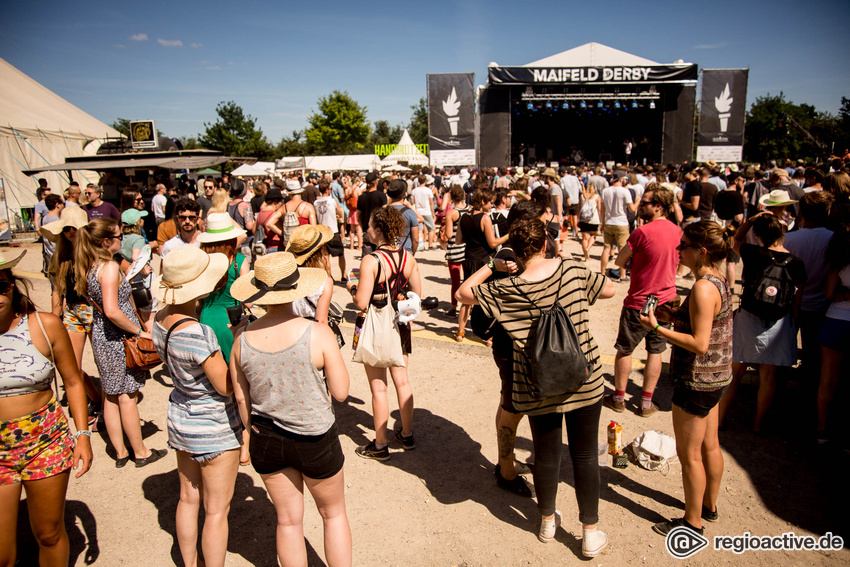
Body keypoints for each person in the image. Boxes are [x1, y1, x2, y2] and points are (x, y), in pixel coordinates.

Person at [456, 215, 614, 558]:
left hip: (537, 384)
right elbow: (610, 289)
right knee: (585, 456)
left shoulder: (505, 288)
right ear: (545, 243)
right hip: (585, 379)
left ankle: (546, 522)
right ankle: (589, 532)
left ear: (517, 247)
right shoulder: (571, 270)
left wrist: (491, 264)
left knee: (546, 454)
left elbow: (463, 293)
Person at [230, 252, 351, 567]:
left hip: (266, 438)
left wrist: (250, 431)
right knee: (333, 513)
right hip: (315, 436)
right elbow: (341, 391)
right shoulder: (317, 333)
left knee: (287, 521)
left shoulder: (241, 339)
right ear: (295, 288)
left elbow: (242, 398)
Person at [640, 221, 734, 537]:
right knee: (710, 446)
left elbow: (699, 342)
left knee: (689, 455)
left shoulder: (703, 288)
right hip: (717, 377)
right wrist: (673, 316)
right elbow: (703, 323)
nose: (679, 252)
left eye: (684, 247)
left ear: (701, 251)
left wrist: (657, 329)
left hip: (697, 380)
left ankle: (692, 522)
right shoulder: (718, 280)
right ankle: (709, 506)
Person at [0, 249, 93, 567]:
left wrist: (82, 434)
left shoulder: (45, 325)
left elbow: (74, 382)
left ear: (12, 285)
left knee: (50, 533)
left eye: (1, 285)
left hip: (46, 440)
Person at [153, 246, 242, 567]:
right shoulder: (198, 332)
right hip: (214, 425)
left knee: (188, 499)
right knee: (217, 510)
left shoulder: (160, 320)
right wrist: (239, 342)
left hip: (181, 417)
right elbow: (226, 386)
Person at [74, 218, 167, 467]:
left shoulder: (91, 267)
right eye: (118, 237)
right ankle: (140, 451)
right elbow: (113, 310)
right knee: (127, 395)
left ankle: (120, 452)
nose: (122, 240)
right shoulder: (109, 267)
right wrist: (139, 332)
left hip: (102, 338)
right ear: (106, 242)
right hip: (118, 338)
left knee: (111, 396)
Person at [718, 213, 807, 432]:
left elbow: (733, 242)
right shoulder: (797, 263)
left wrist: (750, 220)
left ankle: (719, 420)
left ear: (757, 235)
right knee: (768, 376)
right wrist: (793, 325)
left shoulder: (752, 252)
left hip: (748, 317)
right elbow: (797, 300)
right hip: (778, 321)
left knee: (735, 371)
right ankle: (758, 423)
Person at [347, 206, 422, 461]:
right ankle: (407, 434)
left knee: (379, 389)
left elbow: (360, 302)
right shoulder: (408, 257)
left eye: (368, 226)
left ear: (378, 230)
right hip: (401, 323)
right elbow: (416, 295)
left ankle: (380, 445)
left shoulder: (371, 260)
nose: (366, 229)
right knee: (403, 381)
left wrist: (352, 286)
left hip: (377, 324)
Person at [605, 185, 681, 417]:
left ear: (659, 206)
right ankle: (646, 403)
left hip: (639, 301)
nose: (640, 206)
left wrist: (634, 262)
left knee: (625, 350)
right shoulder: (678, 231)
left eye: (646, 202)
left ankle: (619, 397)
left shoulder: (642, 232)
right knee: (656, 352)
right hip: (666, 301)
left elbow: (619, 260)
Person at [42, 207, 103, 413]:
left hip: (94, 311)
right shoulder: (59, 257)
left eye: (74, 228)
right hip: (72, 312)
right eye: (66, 228)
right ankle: (96, 399)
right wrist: (54, 319)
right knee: (71, 366)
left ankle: (106, 407)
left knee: (102, 363)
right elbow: (57, 291)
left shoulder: (94, 254)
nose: (70, 232)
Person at [455, 189, 507, 341]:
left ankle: (460, 332)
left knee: (466, 296)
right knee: (486, 295)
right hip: (485, 260)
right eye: (490, 203)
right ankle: (489, 336)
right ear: (483, 202)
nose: (492, 206)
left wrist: (472, 238)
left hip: (469, 258)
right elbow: (492, 242)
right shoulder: (485, 218)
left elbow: (458, 240)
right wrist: (508, 236)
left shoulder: (463, 217)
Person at [197, 213, 248, 362]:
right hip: (232, 320)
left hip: (206, 318)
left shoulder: (202, 261)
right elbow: (248, 301)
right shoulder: (239, 261)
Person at [816, 222, 850, 443]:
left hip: (836, 321)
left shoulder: (838, 263)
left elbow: (828, 293)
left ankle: (822, 430)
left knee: (827, 380)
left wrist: (844, 294)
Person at [286, 224, 335, 325]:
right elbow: (321, 321)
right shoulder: (324, 282)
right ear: (320, 251)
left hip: (288, 329)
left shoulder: (286, 277)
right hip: (311, 332)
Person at [600, 171, 636, 276]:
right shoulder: (625, 191)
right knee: (622, 249)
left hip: (609, 221)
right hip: (622, 222)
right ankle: (623, 274)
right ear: (621, 179)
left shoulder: (605, 191)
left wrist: (602, 223)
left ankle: (602, 273)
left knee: (606, 248)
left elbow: (602, 210)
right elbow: (632, 209)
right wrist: (638, 201)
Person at [443, 185, 468, 321]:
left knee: (455, 282)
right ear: (464, 196)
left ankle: (453, 308)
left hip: (454, 250)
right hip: (467, 249)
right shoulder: (469, 210)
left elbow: (448, 234)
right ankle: (468, 306)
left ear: (452, 197)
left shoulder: (451, 213)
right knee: (469, 279)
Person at [313, 179, 346, 281]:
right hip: (333, 230)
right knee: (340, 254)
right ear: (327, 190)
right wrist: (336, 215)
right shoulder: (332, 201)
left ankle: (329, 275)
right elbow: (340, 214)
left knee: (326, 255)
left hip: (322, 231)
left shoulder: (315, 203)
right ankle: (343, 275)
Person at [578, 179, 602, 262]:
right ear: (593, 189)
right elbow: (599, 210)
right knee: (593, 236)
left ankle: (586, 257)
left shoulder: (582, 196)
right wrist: (601, 220)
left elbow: (579, 208)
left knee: (584, 238)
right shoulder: (597, 197)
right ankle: (588, 248)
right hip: (593, 219)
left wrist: (578, 218)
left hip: (583, 219)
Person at [257, 186, 285, 252]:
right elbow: (282, 231)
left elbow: (254, 230)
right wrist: (283, 234)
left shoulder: (260, 213)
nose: (281, 204)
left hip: (266, 247)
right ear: (276, 201)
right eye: (280, 201)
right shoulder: (274, 215)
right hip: (277, 247)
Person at [413, 175, 436, 251]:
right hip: (427, 211)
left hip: (418, 211)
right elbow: (431, 203)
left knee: (419, 230)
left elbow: (412, 202)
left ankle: (420, 245)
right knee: (431, 229)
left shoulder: (414, 191)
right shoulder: (428, 190)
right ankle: (430, 245)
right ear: (425, 181)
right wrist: (433, 212)